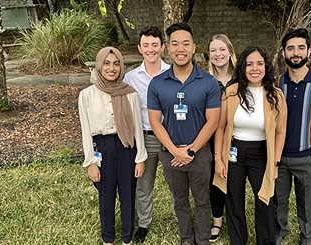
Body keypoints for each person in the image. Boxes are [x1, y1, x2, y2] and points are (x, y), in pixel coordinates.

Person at [147, 22, 221, 245]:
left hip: (199, 154)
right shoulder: (157, 83)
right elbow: (154, 121)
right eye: (175, 44)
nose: (181, 49)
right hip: (170, 155)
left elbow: (213, 121)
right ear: (168, 48)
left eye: (186, 43)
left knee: (202, 200)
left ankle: (202, 239)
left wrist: (190, 150)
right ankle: (186, 239)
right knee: (179, 200)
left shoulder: (208, 82)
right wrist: (174, 152)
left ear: (194, 47)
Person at [213, 45, 287, 245]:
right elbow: (220, 128)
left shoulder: (276, 95)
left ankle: (265, 241)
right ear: (243, 67)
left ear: (266, 67)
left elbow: (280, 132)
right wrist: (218, 158)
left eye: (259, 64)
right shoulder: (231, 92)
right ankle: (238, 240)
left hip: (261, 154)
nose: (254, 68)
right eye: (249, 64)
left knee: (265, 199)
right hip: (234, 152)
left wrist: (275, 164)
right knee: (234, 199)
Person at [78, 47, 147, 245]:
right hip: (103, 148)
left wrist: (140, 158)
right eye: (107, 63)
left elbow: (137, 129)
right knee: (106, 196)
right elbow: (85, 131)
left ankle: (127, 238)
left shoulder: (130, 94)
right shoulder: (87, 95)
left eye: (116, 64)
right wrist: (91, 162)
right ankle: (108, 239)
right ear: (99, 66)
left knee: (128, 195)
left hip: (126, 147)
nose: (112, 68)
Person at [274, 28, 311, 245]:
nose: (296, 53)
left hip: (307, 157)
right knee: (278, 200)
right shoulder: (277, 83)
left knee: (306, 202)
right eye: (291, 48)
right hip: (279, 158)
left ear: (309, 51)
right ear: (284, 53)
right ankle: (280, 231)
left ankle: (307, 237)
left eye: (301, 48)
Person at [123, 25, 171, 243]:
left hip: (172, 139)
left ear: (162, 47)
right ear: (139, 48)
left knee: (176, 184)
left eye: (154, 45)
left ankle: (182, 220)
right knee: (144, 185)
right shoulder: (131, 78)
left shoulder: (173, 73)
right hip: (146, 138)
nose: (150, 49)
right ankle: (143, 224)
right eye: (146, 45)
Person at [206, 33, 237, 242]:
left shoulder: (242, 77)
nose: (218, 54)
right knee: (214, 180)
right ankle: (217, 221)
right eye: (213, 50)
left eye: (222, 49)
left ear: (230, 51)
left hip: (237, 138)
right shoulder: (204, 80)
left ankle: (235, 218)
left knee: (233, 179)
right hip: (210, 137)